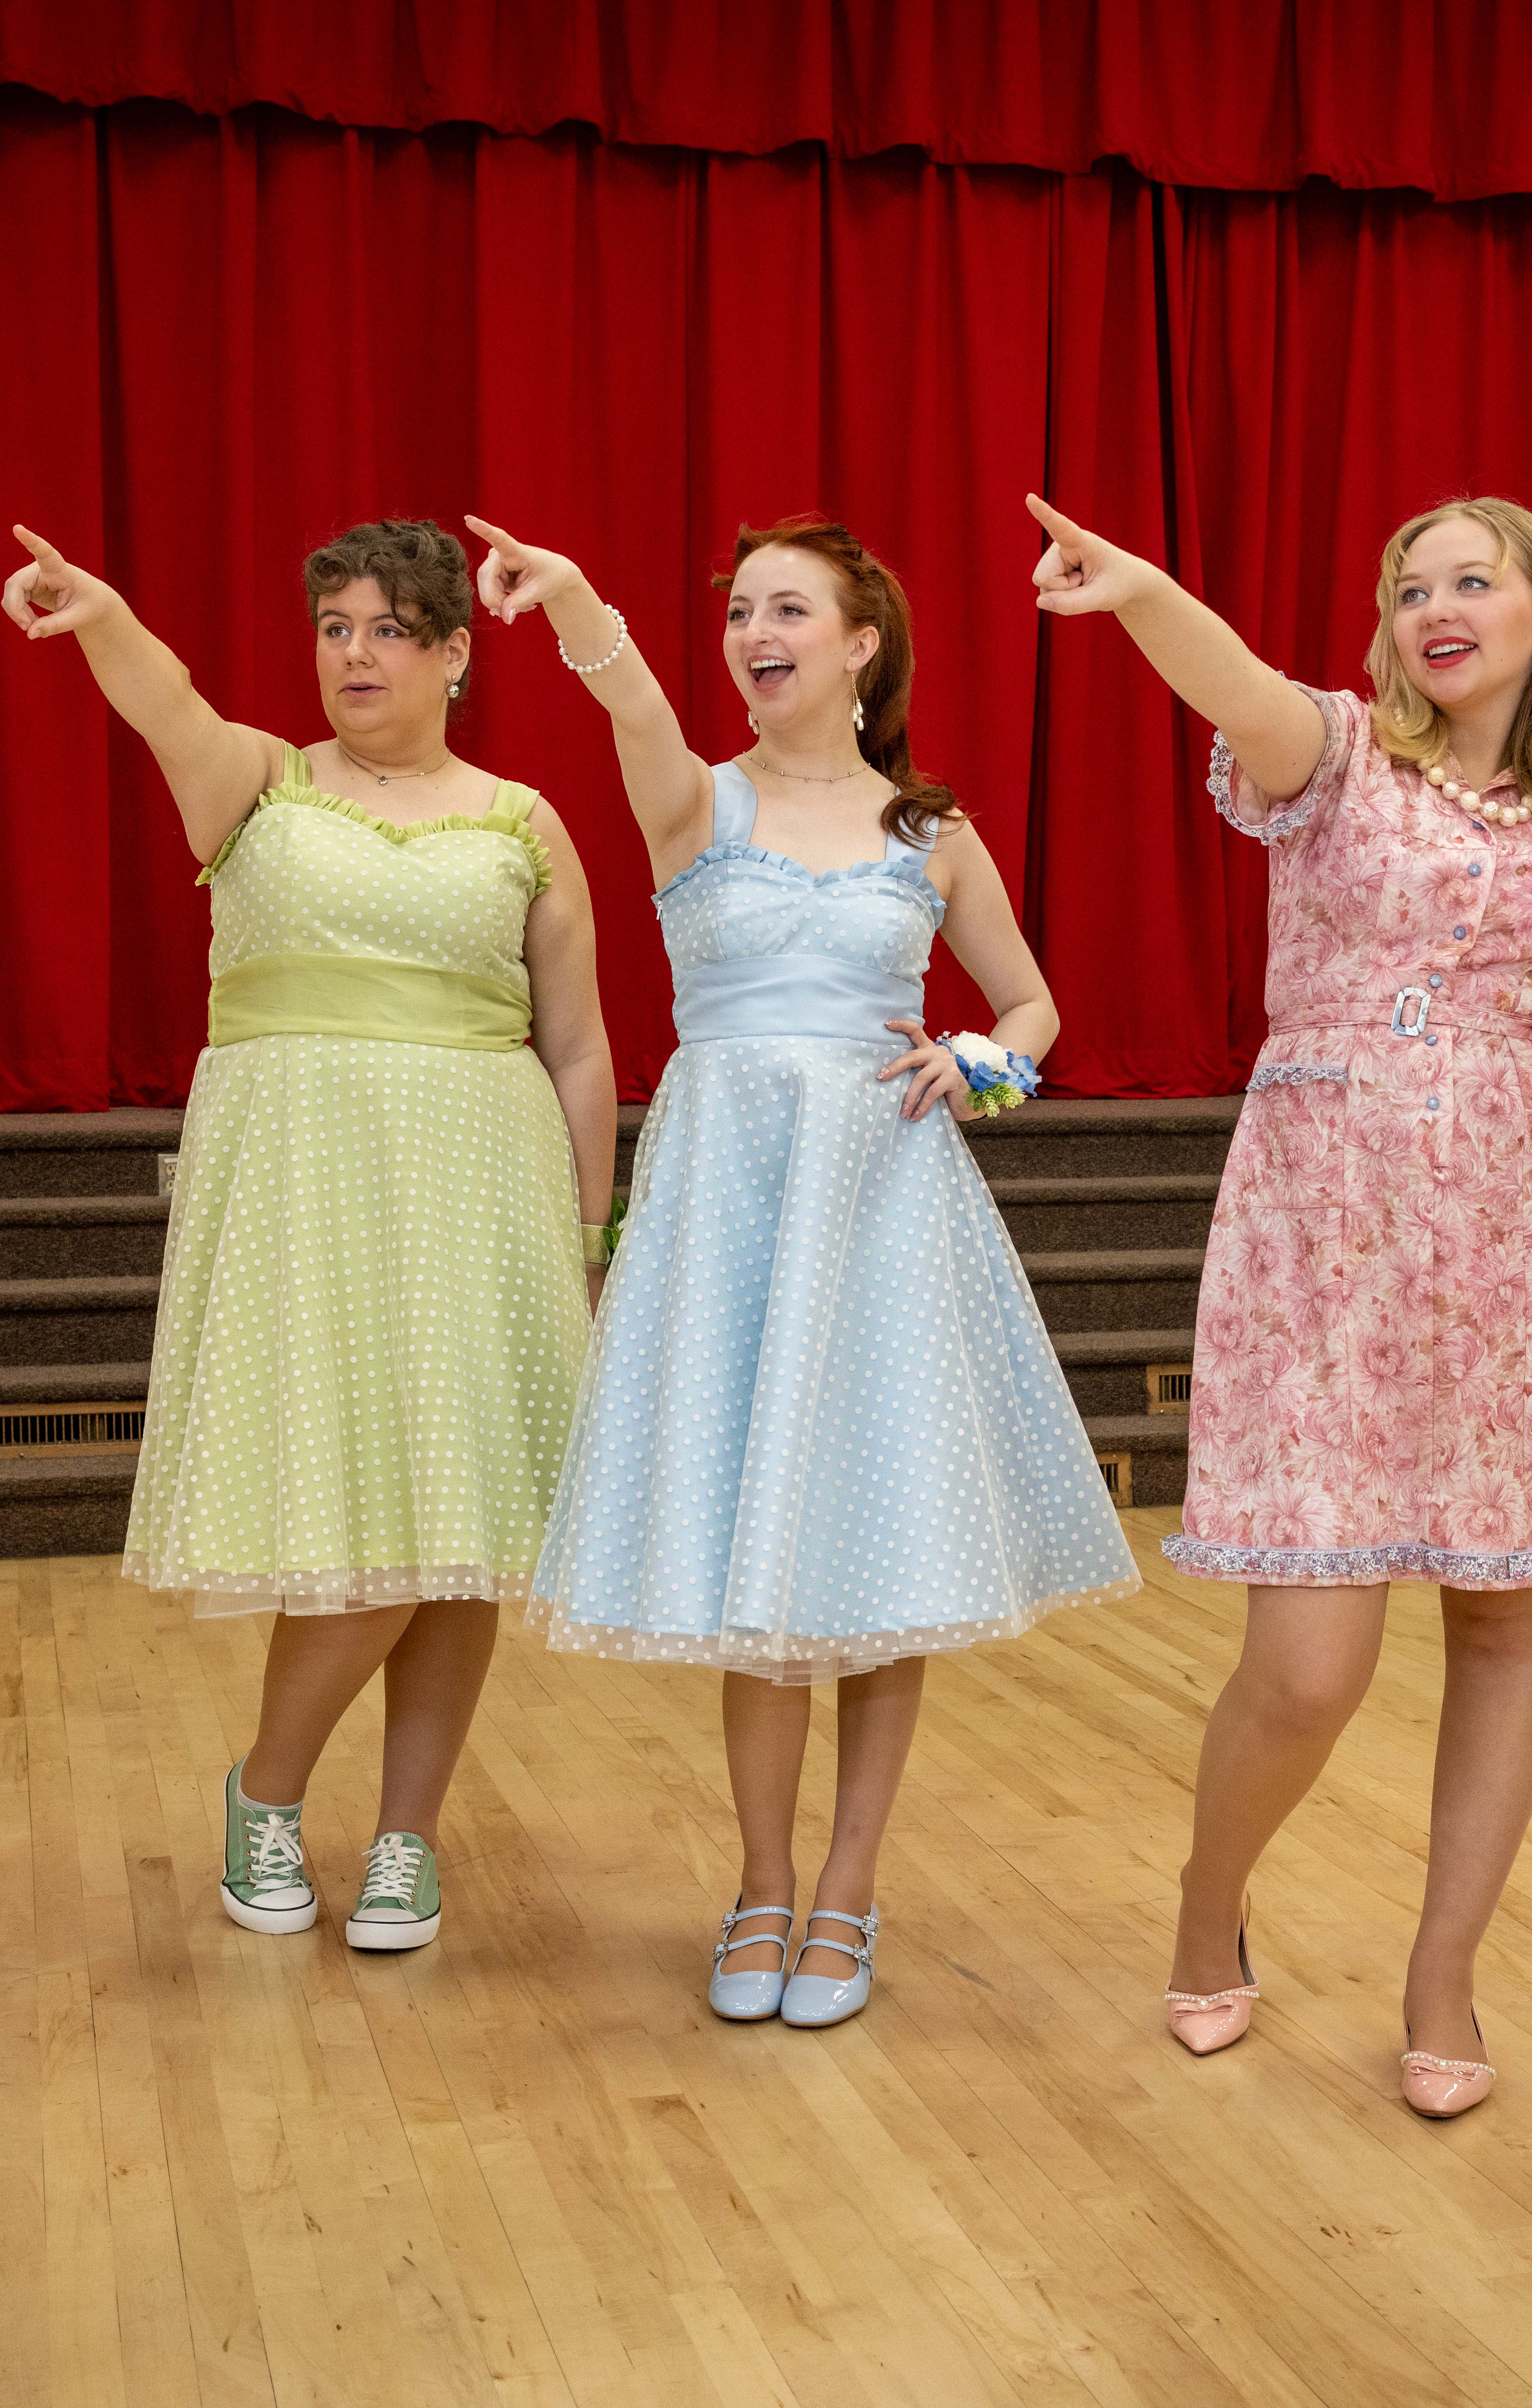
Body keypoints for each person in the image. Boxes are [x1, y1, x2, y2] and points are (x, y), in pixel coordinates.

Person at [1025, 492, 1532, 2118]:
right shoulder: (1337, 760)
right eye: (1410, 585)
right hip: (1326, 1242)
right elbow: (1237, 684)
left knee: (1507, 1621)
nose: (1435, 607)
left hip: (1525, 1241)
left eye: (1474, 581)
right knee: (1311, 1665)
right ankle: (1212, 1913)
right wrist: (1141, 591)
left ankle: (1444, 1975)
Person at [465, 509, 1137, 2029]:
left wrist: (983, 1068)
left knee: (883, 1566)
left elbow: (1032, 1009)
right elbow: (626, 695)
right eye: (741, 611)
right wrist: (578, 595)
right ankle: (760, 1886)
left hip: (886, 1204)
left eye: (790, 609)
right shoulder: (696, 806)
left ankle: (849, 1888)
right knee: (760, 1567)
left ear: (860, 643)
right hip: (732, 1200)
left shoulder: (930, 830)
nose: (756, 633)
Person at [0, 517, 617, 1954]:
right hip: (307, 1196)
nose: (357, 654)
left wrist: (590, 1238)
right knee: (365, 1528)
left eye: (392, 629)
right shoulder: (255, 786)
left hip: (485, 1191)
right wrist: (100, 610)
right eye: (336, 626)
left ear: (457, 653)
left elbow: (580, 1052)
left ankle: (407, 1839)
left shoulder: (522, 821)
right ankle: (267, 1795)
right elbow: (162, 693)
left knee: (462, 1537)